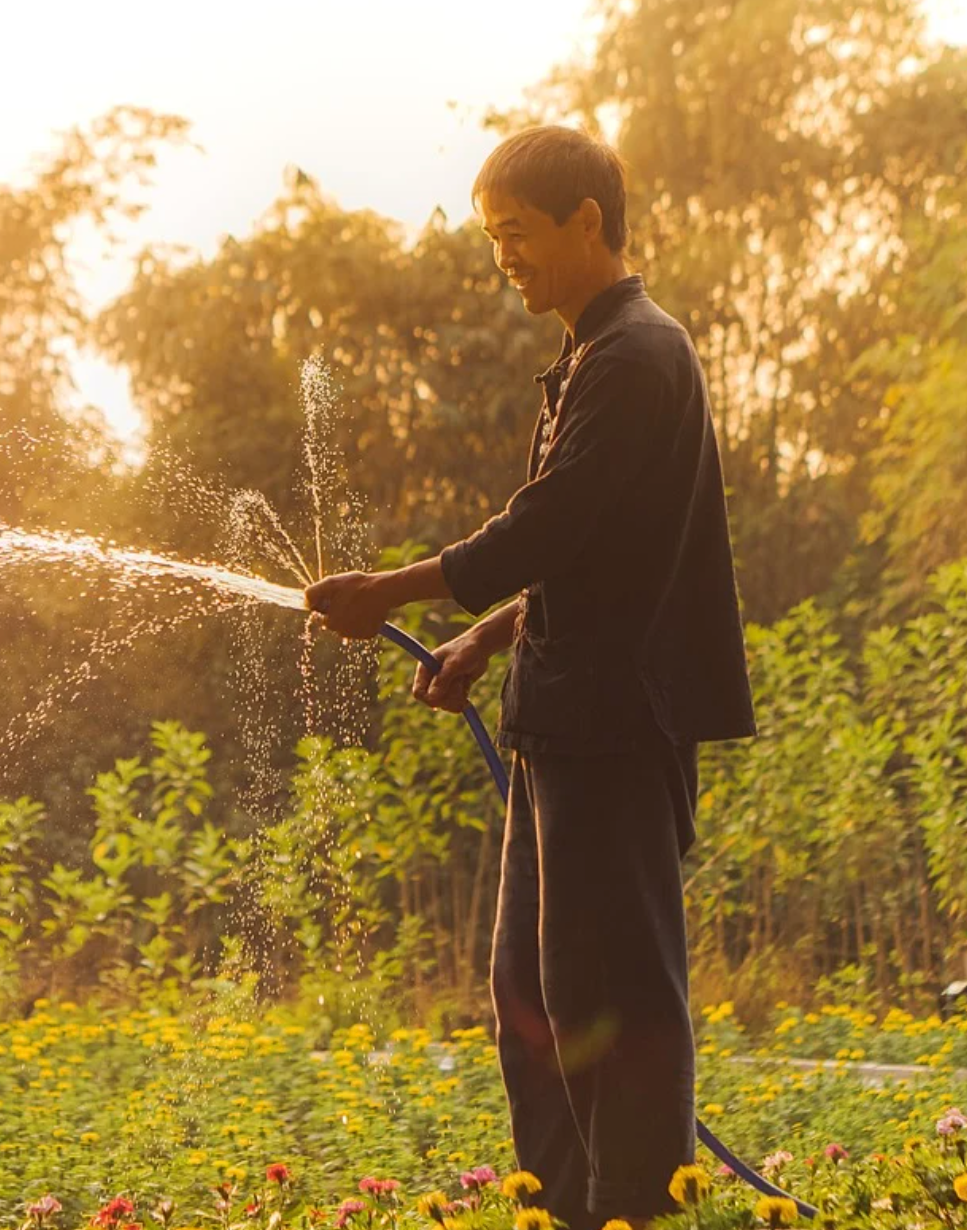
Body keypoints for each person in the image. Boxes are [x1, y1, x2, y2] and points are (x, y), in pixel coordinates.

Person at [304, 125, 756, 1230]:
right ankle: (555, 1208)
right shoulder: (593, 356)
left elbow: (544, 526)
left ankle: (634, 1212)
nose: (501, 256)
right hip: (559, 723)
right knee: (534, 996)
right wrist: (485, 640)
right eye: (490, 236)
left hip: (613, 729)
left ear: (584, 223)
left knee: (614, 998)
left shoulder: (636, 356)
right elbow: (586, 551)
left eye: (515, 233)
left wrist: (393, 590)